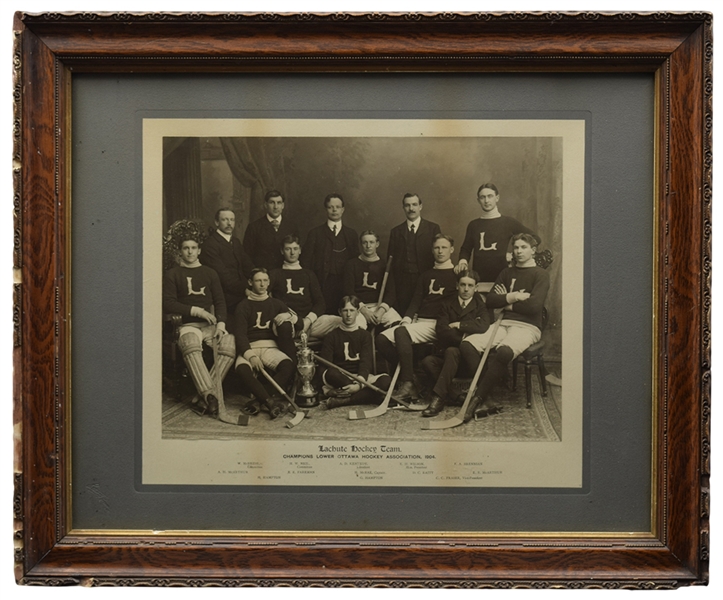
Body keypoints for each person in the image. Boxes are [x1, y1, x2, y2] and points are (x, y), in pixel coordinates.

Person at [460, 233, 550, 421]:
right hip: (503, 323)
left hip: (528, 327)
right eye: (516, 247)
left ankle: (477, 398)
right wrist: (515, 297)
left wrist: (505, 301)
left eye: (523, 247)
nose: (518, 251)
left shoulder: (541, 274)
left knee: (504, 351)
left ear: (533, 251)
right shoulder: (506, 273)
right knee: (467, 344)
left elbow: (534, 306)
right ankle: (486, 395)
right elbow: (491, 301)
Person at [376, 233, 458, 401]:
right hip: (419, 322)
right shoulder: (426, 275)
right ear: (432, 250)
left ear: (452, 249)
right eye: (436, 248)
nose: (440, 251)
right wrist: (406, 319)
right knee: (382, 339)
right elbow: (416, 301)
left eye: (444, 247)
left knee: (401, 333)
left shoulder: (457, 275)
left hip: (438, 325)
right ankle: (413, 375)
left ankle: (407, 383)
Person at [162, 236, 235, 418]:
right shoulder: (173, 274)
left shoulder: (210, 273)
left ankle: (202, 396)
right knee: (190, 343)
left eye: (193, 248)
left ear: (199, 250)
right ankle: (211, 396)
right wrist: (198, 311)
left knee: (229, 343)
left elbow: (220, 301)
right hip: (188, 325)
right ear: (180, 251)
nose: (190, 251)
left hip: (210, 327)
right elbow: (168, 303)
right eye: (186, 248)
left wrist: (221, 324)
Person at [420, 269, 490, 417]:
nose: (466, 289)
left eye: (470, 286)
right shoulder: (446, 303)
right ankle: (457, 396)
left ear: (476, 288)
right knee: (428, 362)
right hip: (447, 359)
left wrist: (459, 325)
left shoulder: (480, 305)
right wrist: (468, 331)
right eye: (463, 284)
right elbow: (442, 331)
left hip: (468, 360)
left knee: (452, 350)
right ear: (457, 285)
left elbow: (483, 326)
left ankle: (438, 399)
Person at [233, 268, 297, 419]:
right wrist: (250, 356)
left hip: (270, 347)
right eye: (258, 280)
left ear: (268, 282)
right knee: (242, 370)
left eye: (265, 280)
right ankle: (269, 402)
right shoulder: (243, 306)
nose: (262, 284)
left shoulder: (276, 303)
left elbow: (295, 319)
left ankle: (258, 400)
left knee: (288, 366)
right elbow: (240, 335)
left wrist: (288, 315)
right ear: (250, 282)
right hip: (250, 347)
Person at [455, 183, 537, 286]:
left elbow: (535, 238)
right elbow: (466, 249)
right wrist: (463, 261)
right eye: (482, 197)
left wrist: (513, 255)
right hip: (479, 279)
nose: (486, 201)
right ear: (478, 200)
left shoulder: (508, 222)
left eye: (490, 196)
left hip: (503, 278)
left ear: (497, 198)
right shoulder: (473, 225)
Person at [319, 296, 392, 409]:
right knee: (331, 373)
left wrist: (359, 385)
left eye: (352, 310)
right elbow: (325, 366)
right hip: (341, 378)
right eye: (345, 310)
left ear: (358, 313)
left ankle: (345, 400)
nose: (349, 315)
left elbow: (366, 363)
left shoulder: (365, 335)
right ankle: (370, 396)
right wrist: (329, 390)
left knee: (386, 380)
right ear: (339, 312)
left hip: (361, 377)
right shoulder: (331, 336)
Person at [268, 235, 341, 348]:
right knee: (284, 326)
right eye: (288, 249)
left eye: (295, 249)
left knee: (345, 321)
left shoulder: (308, 274)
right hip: (288, 323)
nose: (292, 253)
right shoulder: (274, 274)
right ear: (282, 251)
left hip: (310, 324)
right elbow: (264, 299)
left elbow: (320, 303)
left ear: (300, 250)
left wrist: (308, 320)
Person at [303, 193, 359, 315]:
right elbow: (306, 263)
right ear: (326, 209)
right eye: (330, 207)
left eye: (337, 207)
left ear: (343, 209)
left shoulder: (351, 234)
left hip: (345, 285)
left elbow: (356, 264)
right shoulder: (315, 234)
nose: (334, 210)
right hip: (322, 285)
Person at [387, 193, 441, 316]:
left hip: (425, 280)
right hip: (403, 284)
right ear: (403, 208)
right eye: (407, 205)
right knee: (403, 315)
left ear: (420, 206)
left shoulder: (433, 228)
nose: (411, 208)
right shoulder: (396, 232)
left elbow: (439, 256)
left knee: (424, 313)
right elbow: (391, 262)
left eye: (414, 205)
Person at [343, 230, 402, 330]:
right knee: (356, 330)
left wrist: (381, 311)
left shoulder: (384, 265)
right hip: (358, 307)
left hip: (379, 307)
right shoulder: (351, 264)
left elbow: (391, 293)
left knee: (399, 327)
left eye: (371, 242)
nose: (368, 245)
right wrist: (364, 310)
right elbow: (349, 291)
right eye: (365, 242)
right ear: (361, 244)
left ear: (377, 244)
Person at [200, 207, 255, 313]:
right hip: (225, 296)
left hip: (241, 291)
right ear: (216, 222)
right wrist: (245, 290)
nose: (229, 223)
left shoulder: (235, 241)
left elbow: (248, 265)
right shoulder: (210, 244)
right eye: (225, 220)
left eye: (232, 220)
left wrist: (258, 279)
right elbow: (223, 276)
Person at [243, 190, 299, 271]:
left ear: (283, 205)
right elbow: (247, 256)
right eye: (272, 202)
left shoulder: (292, 226)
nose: (276, 207)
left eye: (279, 203)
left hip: (286, 273)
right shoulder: (254, 227)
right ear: (265, 205)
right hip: (263, 276)